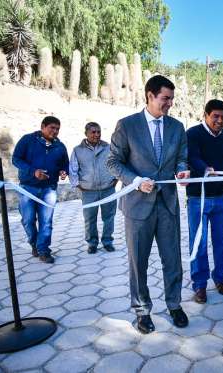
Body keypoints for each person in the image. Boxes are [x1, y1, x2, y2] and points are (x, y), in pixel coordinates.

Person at [107, 75, 190, 334]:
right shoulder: (127, 126)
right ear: (150, 96)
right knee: (138, 262)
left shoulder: (177, 127)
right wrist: (135, 180)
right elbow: (113, 162)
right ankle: (142, 310)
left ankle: (174, 304)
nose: (170, 104)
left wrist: (182, 170)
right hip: (137, 207)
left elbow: (181, 159)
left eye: (172, 99)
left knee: (172, 260)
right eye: (165, 98)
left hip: (167, 204)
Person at [186, 99, 223, 304]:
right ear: (206, 115)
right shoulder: (192, 134)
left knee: (221, 242)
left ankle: (220, 278)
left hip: (221, 199)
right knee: (198, 243)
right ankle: (200, 284)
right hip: (197, 198)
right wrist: (205, 168)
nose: (220, 120)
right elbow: (191, 156)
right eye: (215, 116)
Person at [12, 116, 69, 264]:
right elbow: (16, 159)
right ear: (43, 126)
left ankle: (43, 250)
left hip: (48, 190)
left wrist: (64, 171)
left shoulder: (60, 146)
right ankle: (34, 243)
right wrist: (33, 171)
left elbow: (65, 164)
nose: (55, 131)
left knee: (46, 222)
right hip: (27, 188)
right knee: (28, 220)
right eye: (52, 128)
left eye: (57, 129)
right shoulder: (27, 140)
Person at [69, 122, 117, 254]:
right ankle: (92, 243)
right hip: (88, 191)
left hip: (108, 189)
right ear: (86, 133)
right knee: (90, 219)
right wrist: (78, 186)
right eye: (93, 132)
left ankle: (107, 242)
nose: (97, 134)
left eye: (99, 132)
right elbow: (73, 169)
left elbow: (118, 163)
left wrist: (116, 179)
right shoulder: (78, 150)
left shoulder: (109, 147)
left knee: (109, 217)